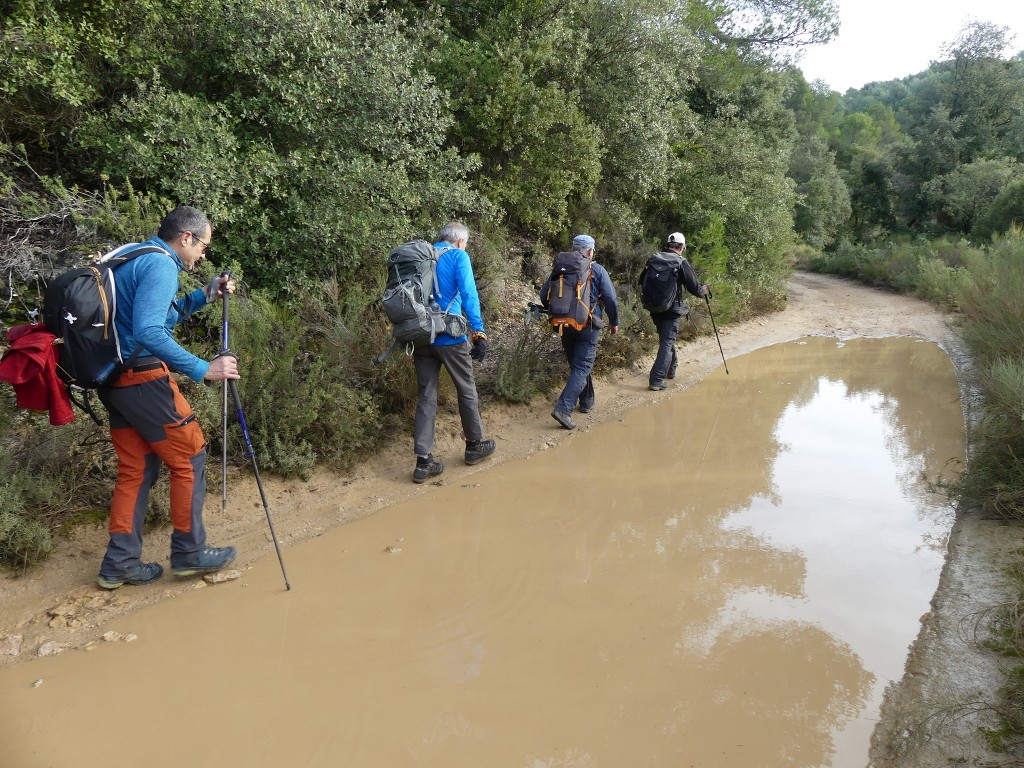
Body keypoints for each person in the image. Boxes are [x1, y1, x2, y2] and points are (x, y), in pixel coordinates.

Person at [94, 205, 240, 589]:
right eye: (204, 247)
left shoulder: (135, 255)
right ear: (186, 237)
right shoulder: (161, 265)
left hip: (115, 381)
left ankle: (119, 564)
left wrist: (204, 295)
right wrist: (203, 368)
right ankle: (190, 553)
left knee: (137, 470)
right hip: (143, 380)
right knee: (190, 458)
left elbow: (154, 316)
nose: (204, 255)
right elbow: (148, 331)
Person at [411, 221, 496, 483]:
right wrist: (478, 332)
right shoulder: (458, 256)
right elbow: (470, 295)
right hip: (450, 337)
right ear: (459, 241)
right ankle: (474, 445)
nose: (466, 246)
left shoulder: (420, 257)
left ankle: (423, 462)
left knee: (426, 396)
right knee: (466, 388)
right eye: (466, 243)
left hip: (421, 336)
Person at [541, 234, 619, 430]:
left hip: (563, 324)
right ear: (591, 251)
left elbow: (544, 295)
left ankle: (586, 400)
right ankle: (563, 409)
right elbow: (610, 299)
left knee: (578, 365)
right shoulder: (597, 269)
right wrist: (614, 322)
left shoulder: (559, 270)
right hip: (588, 325)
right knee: (582, 367)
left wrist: (560, 311)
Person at [645, 232, 709, 391]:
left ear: (668, 245)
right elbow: (695, 289)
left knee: (666, 340)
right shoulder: (681, 262)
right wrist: (704, 290)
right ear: (682, 247)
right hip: (671, 309)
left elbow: (642, 280)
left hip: (654, 307)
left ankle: (671, 368)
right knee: (667, 342)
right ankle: (656, 379)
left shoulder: (654, 258)